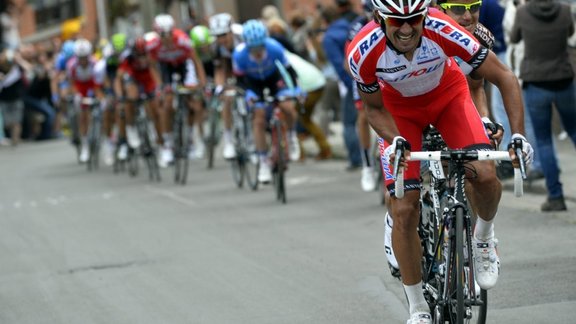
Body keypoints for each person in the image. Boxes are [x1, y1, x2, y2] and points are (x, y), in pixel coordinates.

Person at [345, 0, 533, 322]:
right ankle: (418, 307)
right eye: (397, 22)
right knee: (404, 206)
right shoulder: (362, 50)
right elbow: (374, 109)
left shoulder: (443, 28)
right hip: (397, 113)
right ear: (379, 18)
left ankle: (484, 238)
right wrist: (396, 141)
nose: (406, 29)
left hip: (448, 98)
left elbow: (503, 76)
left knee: (486, 175)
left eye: (414, 19)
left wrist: (518, 135)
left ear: (425, 15)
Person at [382, 0, 505, 276]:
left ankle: (475, 237)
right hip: (406, 107)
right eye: (458, 8)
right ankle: (394, 220)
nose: (468, 15)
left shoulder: (481, 36)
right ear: (439, 10)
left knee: (473, 167)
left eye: (474, 7)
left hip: (450, 106)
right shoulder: (428, 31)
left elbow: (476, 87)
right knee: (403, 182)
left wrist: (484, 120)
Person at [510, 0, 576, 211]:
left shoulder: (522, 12)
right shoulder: (565, 11)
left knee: (544, 141)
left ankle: (556, 197)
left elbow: (514, 37)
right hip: (564, 80)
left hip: (536, 82)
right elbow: (569, 33)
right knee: (574, 132)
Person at [232, 19, 301, 183]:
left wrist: (296, 89)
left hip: (274, 79)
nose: (257, 51)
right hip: (253, 83)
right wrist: (248, 94)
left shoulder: (274, 48)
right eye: (253, 48)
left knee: (288, 107)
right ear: (247, 45)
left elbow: (290, 71)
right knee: (259, 117)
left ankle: (291, 136)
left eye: (260, 47)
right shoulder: (240, 55)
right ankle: (263, 161)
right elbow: (239, 80)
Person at [148, 14, 207, 165]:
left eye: (169, 33)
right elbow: (152, 67)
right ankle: (167, 145)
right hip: (166, 69)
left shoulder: (182, 40)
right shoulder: (153, 45)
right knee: (166, 104)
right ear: (157, 33)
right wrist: (160, 85)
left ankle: (193, 139)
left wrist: (202, 83)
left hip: (184, 67)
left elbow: (196, 61)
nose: (166, 38)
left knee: (193, 102)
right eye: (163, 34)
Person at [321, 4, 362, 171]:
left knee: (349, 124)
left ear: (325, 21)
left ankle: (356, 159)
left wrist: (350, 84)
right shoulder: (350, 27)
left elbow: (340, 65)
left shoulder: (329, 37)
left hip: (352, 82)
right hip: (366, 77)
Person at [114, 37, 162, 163]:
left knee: (155, 107)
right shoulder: (128, 58)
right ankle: (131, 128)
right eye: (138, 54)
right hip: (134, 80)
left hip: (148, 80)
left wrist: (159, 89)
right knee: (130, 98)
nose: (141, 57)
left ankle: (154, 131)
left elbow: (155, 72)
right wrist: (120, 95)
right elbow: (119, 78)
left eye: (143, 54)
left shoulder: (151, 55)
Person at [208, 13, 244, 160]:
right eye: (218, 36)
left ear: (231, 31)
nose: (221, 39)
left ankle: (250, 137)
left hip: (243, 66)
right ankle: (228, 139)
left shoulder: (242, 37)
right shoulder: (216, 46)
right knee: (226, 100)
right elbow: (219, 69)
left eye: (224, 35)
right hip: (227, 66)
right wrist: (219, 87)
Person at [67, 38, 107, 163]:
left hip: (93, 86)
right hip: (80, 87)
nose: (83, 60)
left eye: (85, 57)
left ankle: (103, 139)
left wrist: (101, 98)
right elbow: (72, 83)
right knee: (82, 115)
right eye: (80, 57)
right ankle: (84, 144)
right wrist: (77, 95)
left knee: (101, 111)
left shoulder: (95, 63)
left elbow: (99, 83)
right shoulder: (72, 65)